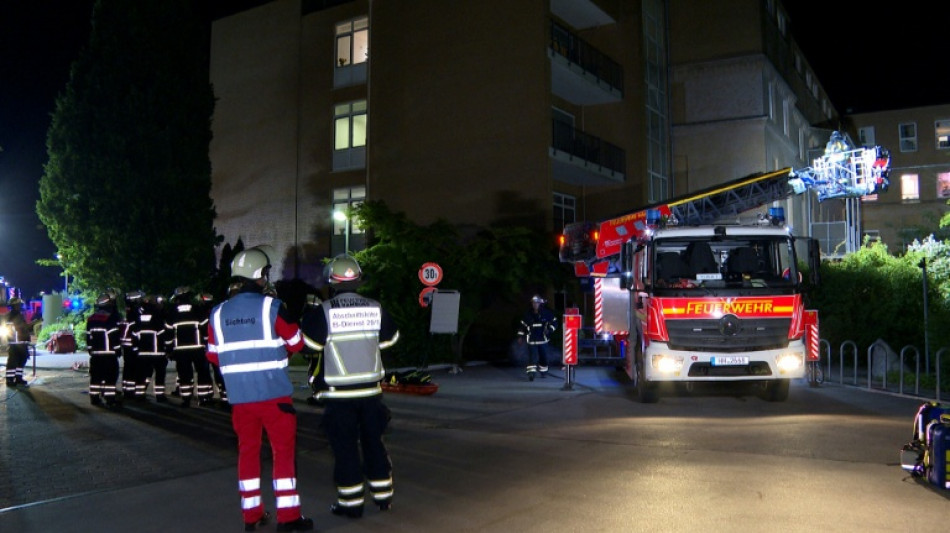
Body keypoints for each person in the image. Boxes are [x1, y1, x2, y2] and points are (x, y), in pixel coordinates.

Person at [206, 247, 313, 532]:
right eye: (266, 272)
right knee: (283, 455)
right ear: (260, 275)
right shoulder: (272, 307)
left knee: (248, 454)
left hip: (240, 401)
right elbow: (297, 343)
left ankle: (251, 516)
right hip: (274, 397)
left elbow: (214, 356)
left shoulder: (216, 314)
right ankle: (288, 518)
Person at [299, 254, 399, 518]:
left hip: (339, 395)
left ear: (332, 281)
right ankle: (383, 496)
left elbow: (308, 347)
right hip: (371, 393)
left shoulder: (324, 311)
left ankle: (351, 504)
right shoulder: (375, 307)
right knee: (374, 443)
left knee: (345, 450)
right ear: (358, 279)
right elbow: (391, 340)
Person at [165, 286, 214, 407]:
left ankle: (186, 399)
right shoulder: (197, 309)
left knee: (184, 375)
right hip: (197, 348)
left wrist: (169, 349)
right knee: (202, 373)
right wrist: (207, 345)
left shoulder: (172, 312)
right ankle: (203, 398)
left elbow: (168, 334)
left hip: (180, 350)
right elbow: (205, 329)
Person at [85, 291, 123, 406]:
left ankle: (94, 398)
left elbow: (88, 336)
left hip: (96, 354)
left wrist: (90, 350)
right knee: (110, 377)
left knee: (95, 377)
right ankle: (109, 398)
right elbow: (114, 336)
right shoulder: (110, 318)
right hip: (109, 354)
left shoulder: (91, 319)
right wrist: (117, 349)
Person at [131, 294, 170, 402]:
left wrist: (135, 350)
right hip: (157, 352)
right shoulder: (158, 315)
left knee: (141, 374)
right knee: (160, 375)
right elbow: (163, 333)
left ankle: (139, 394)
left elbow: (134, 334)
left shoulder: (138, 316)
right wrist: (167, 348)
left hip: (142, 352)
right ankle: (160, 395)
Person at [517, 294, 558, 381]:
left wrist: (550, 330)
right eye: (533, 303)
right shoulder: (528, 314)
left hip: (543, 340)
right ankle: (531, 373)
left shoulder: (546, 313)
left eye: (536, 303)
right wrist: (520, 336)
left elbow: (554, 323)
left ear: (540, 304)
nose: (535, 305)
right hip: (531, 340)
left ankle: (543, 371)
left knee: (543, 357)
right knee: (532, 358)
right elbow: (522, 326)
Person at [3, 298, 37, 387]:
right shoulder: (10, 316)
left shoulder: (19, 315)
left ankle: (18, 377)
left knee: (22, 360)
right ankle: (9, 380)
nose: (20, 306)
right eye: (18, 305)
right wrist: (33, 323)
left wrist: (34, 323)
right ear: (14, 306)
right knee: (13, 362)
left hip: (22, 342)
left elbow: (25, 328)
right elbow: (20, 328)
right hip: (15, 344)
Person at [119, 291, 144, 400]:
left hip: (127, 344)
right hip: (133, 344)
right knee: (135, 368)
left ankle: (127, 390)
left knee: (128, 368)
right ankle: (132, 392)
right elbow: (136, 328)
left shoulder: (128, 310)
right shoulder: (134, 312)